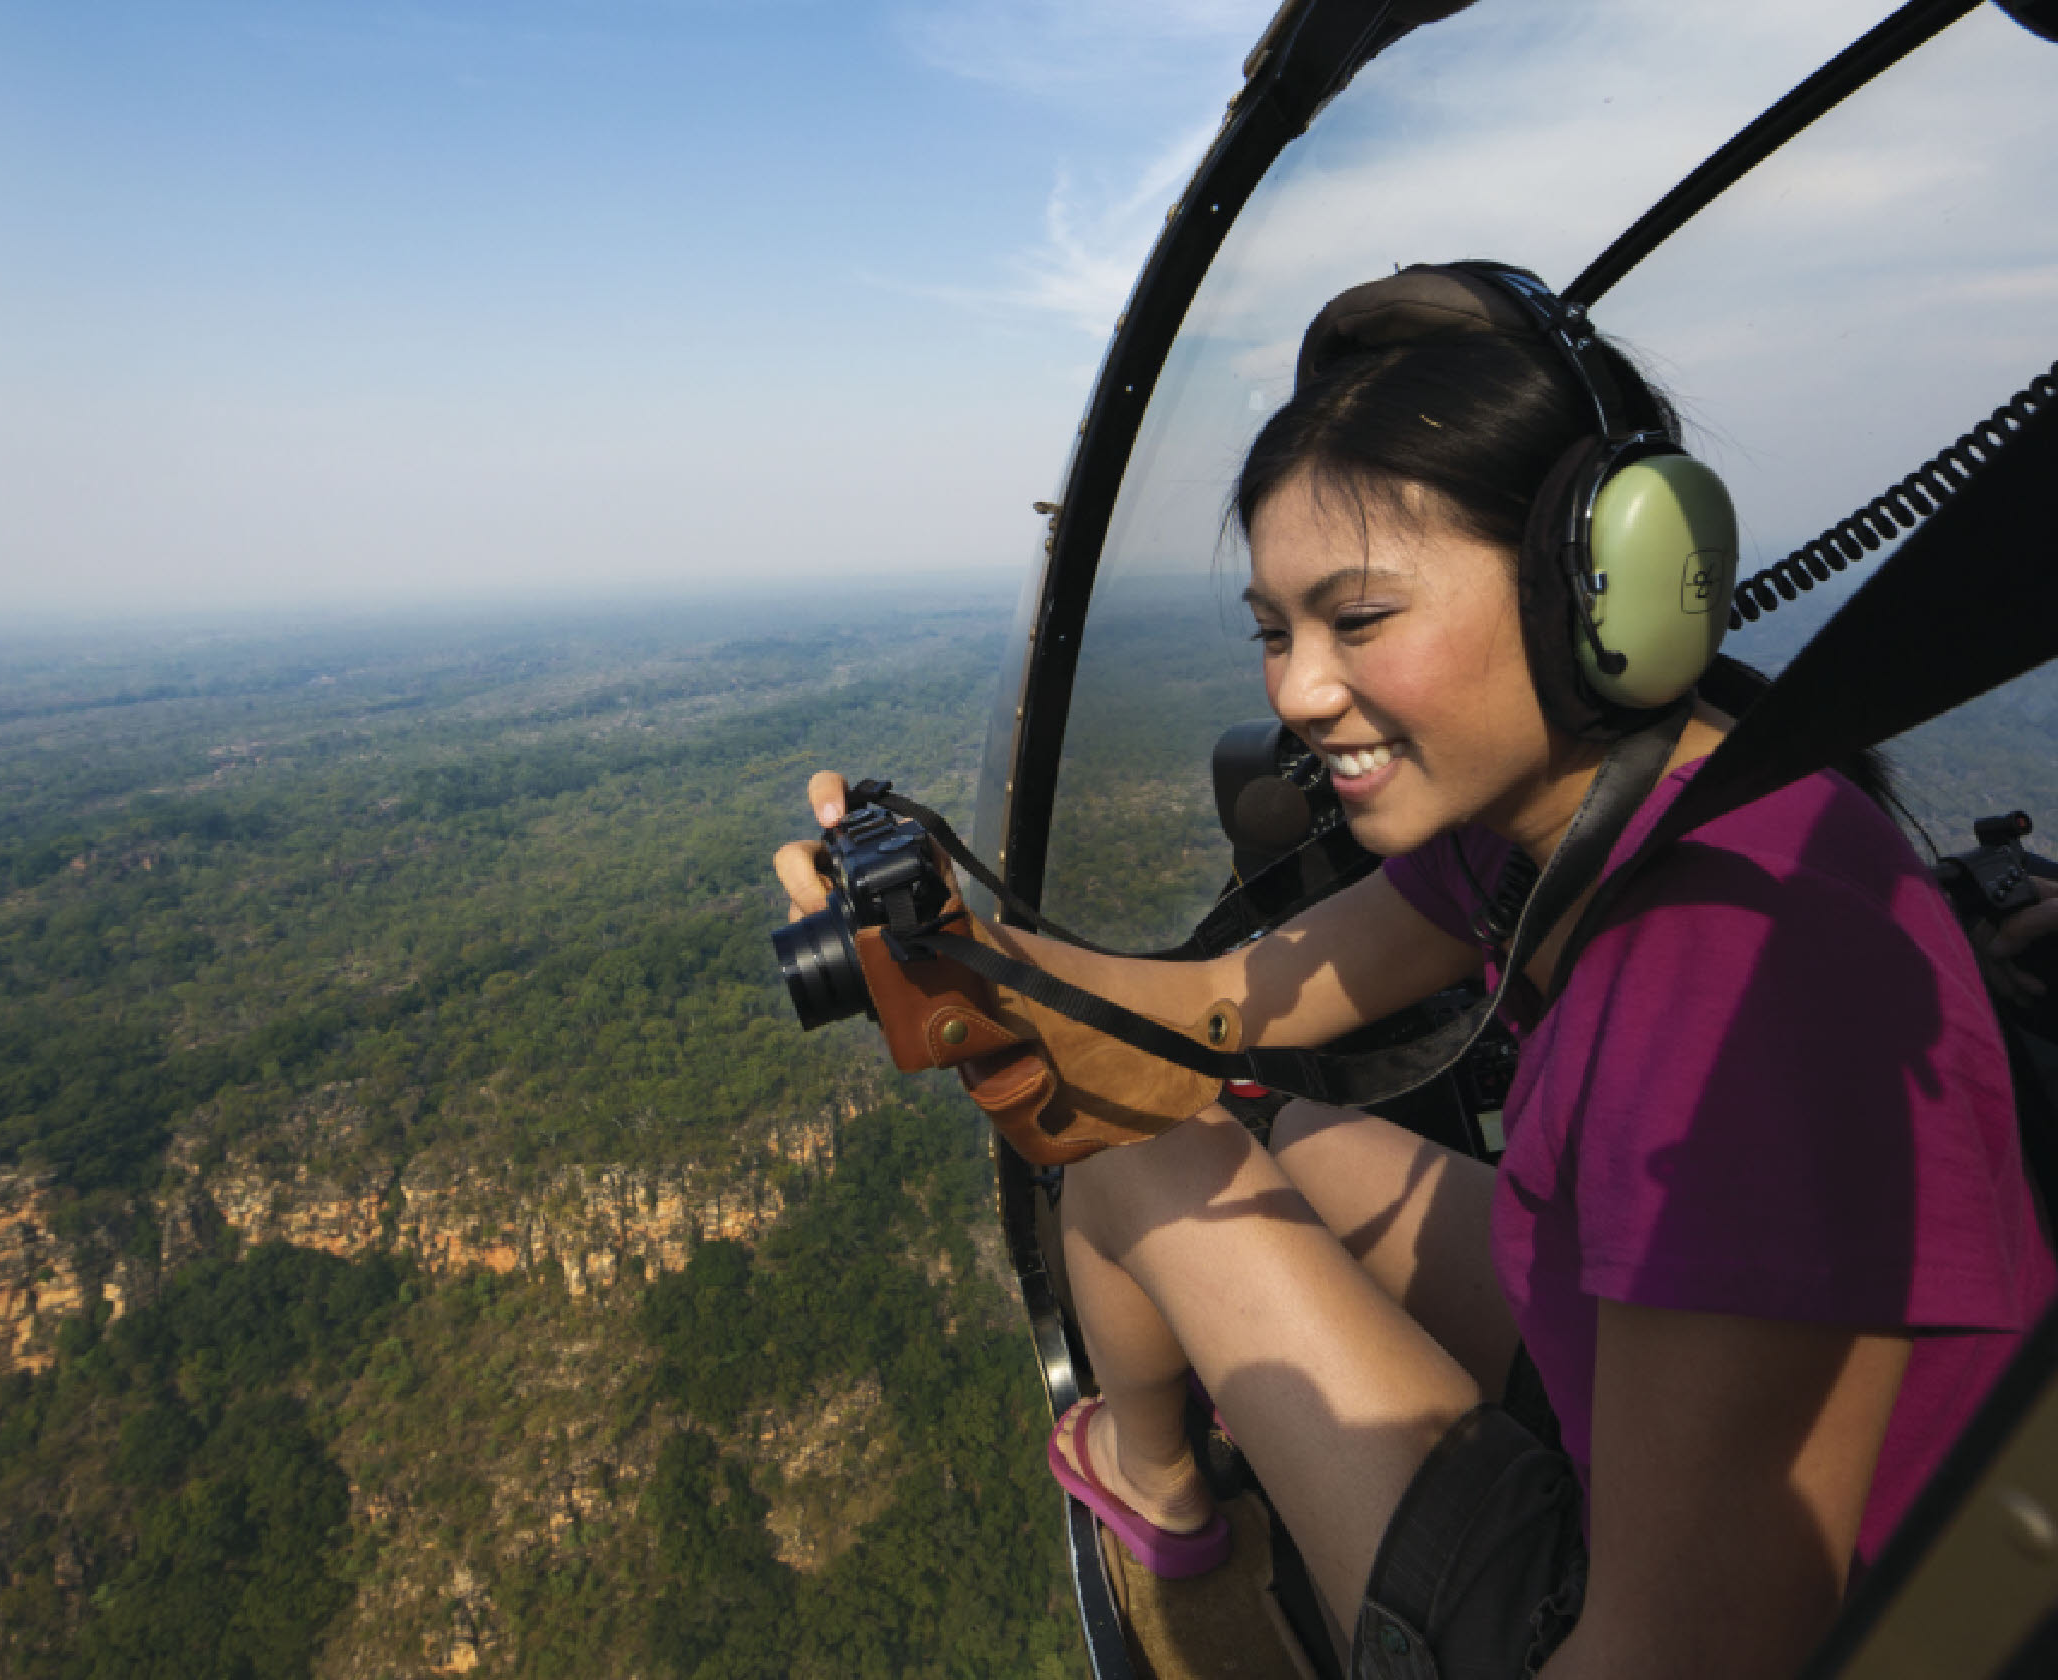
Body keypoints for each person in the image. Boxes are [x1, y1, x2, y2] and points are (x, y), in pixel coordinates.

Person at [775, 264, 2055, 1679]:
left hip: (1738, 1620)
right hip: (1632, 1403)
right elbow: (1218, 1012)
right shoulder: (1548, 823)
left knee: (1139, 1163)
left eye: (1359, 618)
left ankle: (1162, 1502)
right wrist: (967, 951)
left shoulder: (1741, 978)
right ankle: (1172, 1487)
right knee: (1220, 1117)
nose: (1296, 692)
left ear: (1593, 591)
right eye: (1274, 630)